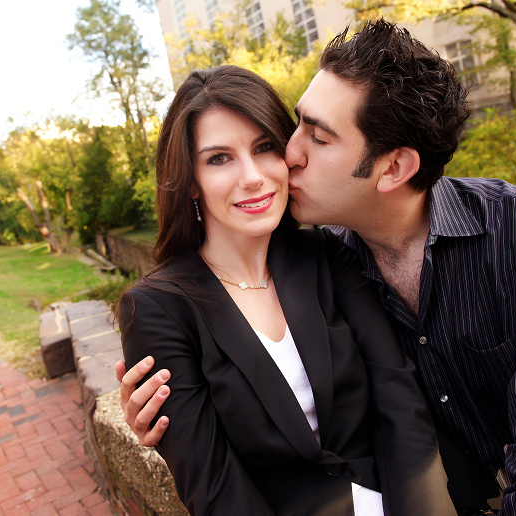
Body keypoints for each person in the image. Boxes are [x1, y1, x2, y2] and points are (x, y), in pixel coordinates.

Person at [117, 19, 516, 516]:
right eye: (295, 125)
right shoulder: (335, 252)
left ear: (395, 168)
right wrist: (175, 416)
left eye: (315, 136)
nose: (287, 155)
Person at [116, 63, 456, 515]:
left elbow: (400, 404)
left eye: (264, 148)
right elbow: (216, 489)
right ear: (190, 181)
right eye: (219, 158)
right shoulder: (157, 310)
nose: (252, 176)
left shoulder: (329, 256)